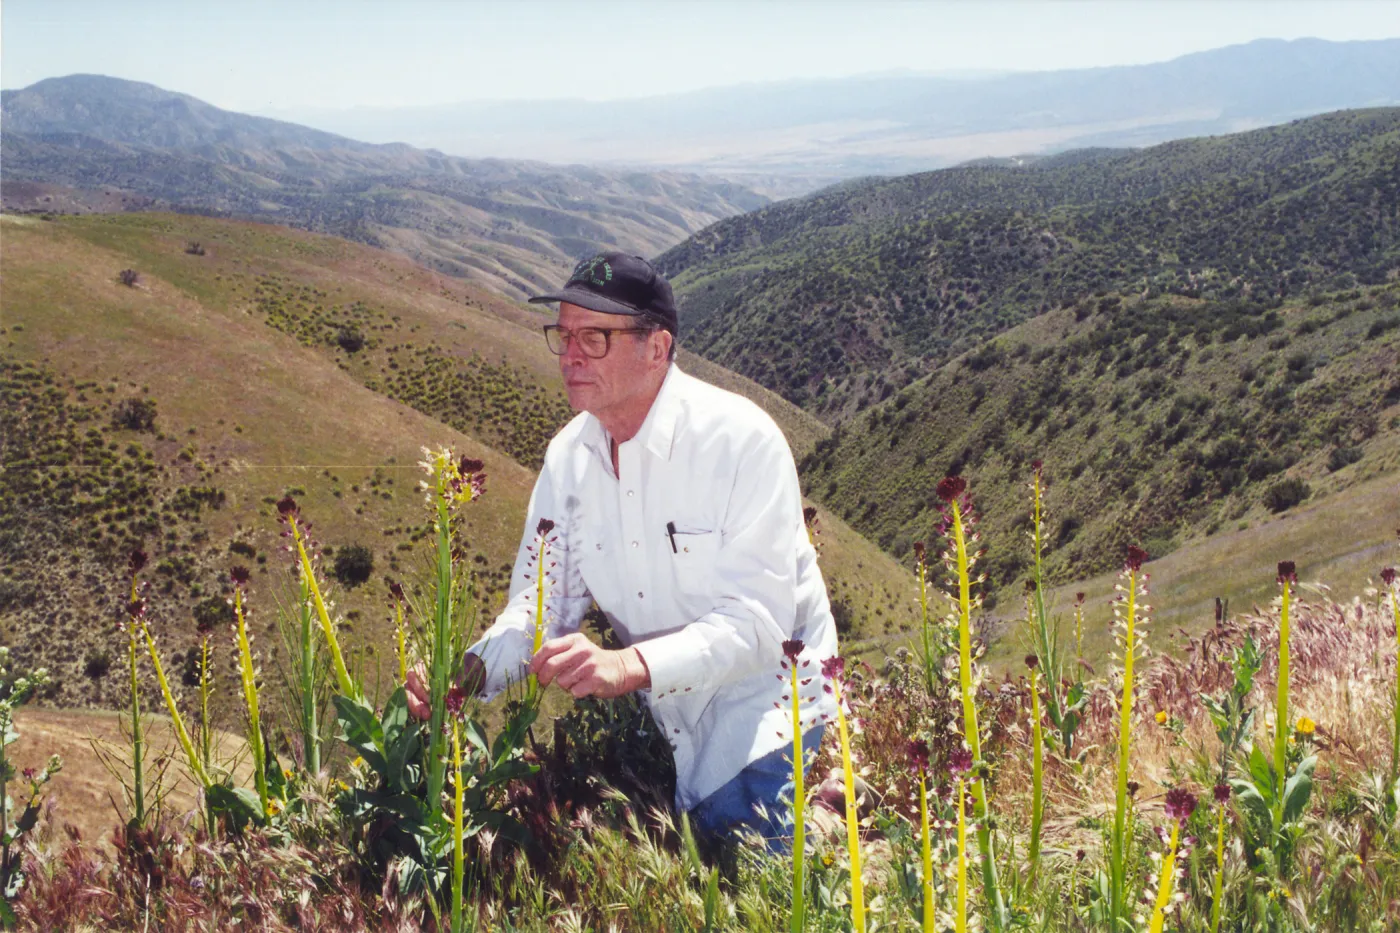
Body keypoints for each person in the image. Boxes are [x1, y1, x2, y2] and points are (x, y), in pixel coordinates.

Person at [460, 251, 837, 843]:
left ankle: (837, 807)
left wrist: (626, 666)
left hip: (771, 701)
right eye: (563, 336)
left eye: (596, 337)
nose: (572, 354)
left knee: (743, 862)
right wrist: (462, 680)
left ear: (657, 348)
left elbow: (760, 628)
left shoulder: (741, 442)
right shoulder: (567, 460)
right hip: (666, 710)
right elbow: (539, 609)